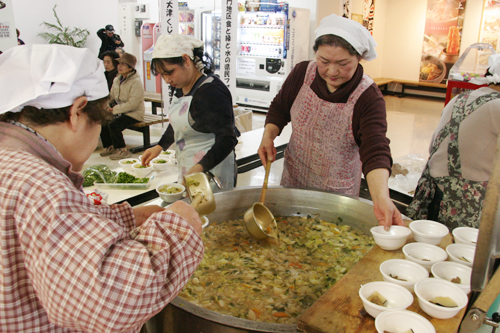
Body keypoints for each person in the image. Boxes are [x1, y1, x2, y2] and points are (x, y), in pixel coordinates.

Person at [0, 44, 203, 332]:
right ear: (77, 112)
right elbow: (111, 302)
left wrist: (125, 218)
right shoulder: (39, 183)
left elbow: (48, 236)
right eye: (99, 124)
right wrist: (177, 226)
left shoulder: (13, 160)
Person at [257, 14, 403, 230]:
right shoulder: (302, 74)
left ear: (359, 58)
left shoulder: (367, 97)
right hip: (294, 180)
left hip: (336, 193)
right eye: (324, 62)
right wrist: (268, 136)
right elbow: (280, 108)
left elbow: (376, 149)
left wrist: (381, 197)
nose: (332, 72)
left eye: (343, 64)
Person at [406, 53, 500, 230]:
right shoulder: (497, 107)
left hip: (431, 196)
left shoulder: (460, 98)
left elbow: (434, 145)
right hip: (465, 206)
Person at [141, 34, 238, 189]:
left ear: (186, 60)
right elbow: (179, 123)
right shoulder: (180, 87)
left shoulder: (212, 91)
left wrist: (200, 167)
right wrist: (159, 147)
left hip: (214, 170)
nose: (167, 80)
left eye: (169, 72)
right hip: (190, 168)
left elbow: (227, 139)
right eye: (163, 75)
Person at [100, 52, 145, 160]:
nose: (119, 66)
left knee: (114, 124)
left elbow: (133, 104)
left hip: (134, 113)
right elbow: (111, 96)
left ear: (130, 68)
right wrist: (107, 107)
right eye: (119, 64)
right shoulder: (117, 79)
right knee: (103, 120)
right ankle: (110, 146)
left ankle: (122, 149)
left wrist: (114, 110)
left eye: (123, 64)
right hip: (120, 110)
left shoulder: (136, 82)